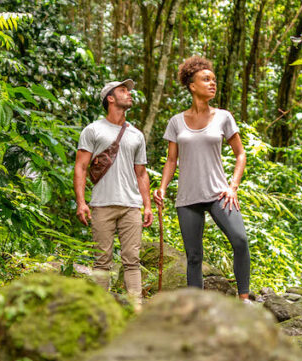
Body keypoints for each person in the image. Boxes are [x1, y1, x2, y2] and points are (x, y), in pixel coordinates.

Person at [153, 56, 251, 300]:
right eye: (206, 79)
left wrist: (233, 186)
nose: (212, 84)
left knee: (240, 240)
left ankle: (244, 299)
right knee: (194, 256)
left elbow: (240, 154)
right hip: (188, 198)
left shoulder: (223, 117)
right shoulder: (176, 122)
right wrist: (163, 188)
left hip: (219, 193)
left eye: (214, 80)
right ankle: (197, 309)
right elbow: (171, 160)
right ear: (191, 85)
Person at [74, 79, 153, 306]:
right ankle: (101, 310)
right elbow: (80, 167)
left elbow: (141, 173)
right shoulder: (93, 130)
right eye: (123, 90)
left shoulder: (136, 135)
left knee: (132, 261)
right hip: (102, 203)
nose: (129, 94)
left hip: (131, 205)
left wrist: (146, 205)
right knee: (102, 261)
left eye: (128, 90)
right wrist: (81, 202)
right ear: (110, 98)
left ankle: (136, 309)